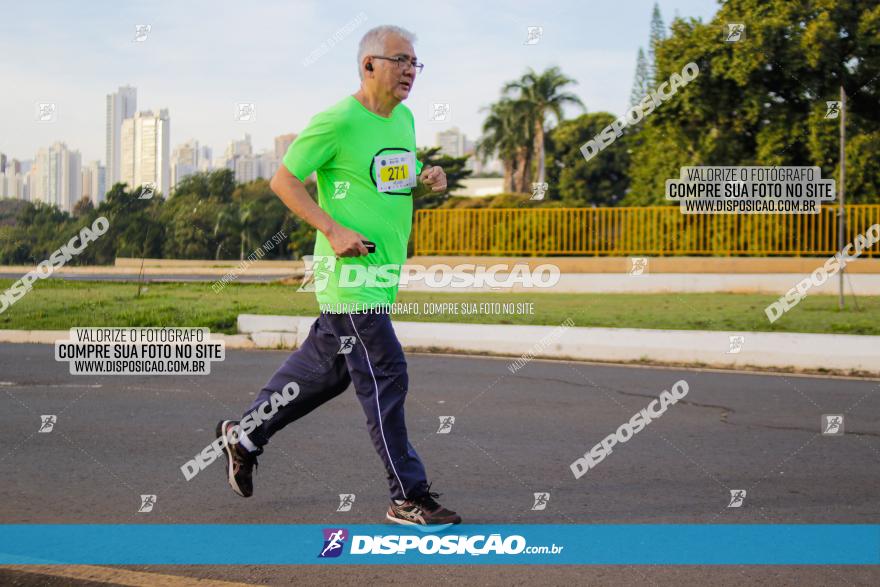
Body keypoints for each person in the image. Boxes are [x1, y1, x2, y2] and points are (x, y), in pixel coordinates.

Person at [216, 24, 461, 528]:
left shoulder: (404, 119)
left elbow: (389, 177)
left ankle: (244, 436)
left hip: (380, 275)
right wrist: (331, 228)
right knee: (386, 374)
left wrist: (425, 176)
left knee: (324, 376)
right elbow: (283, 180)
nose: (410, 72)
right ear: (369, 64)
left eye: (416, 63)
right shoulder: (336, 121)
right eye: (401, 61)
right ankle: (407, 496)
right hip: (349, 280)